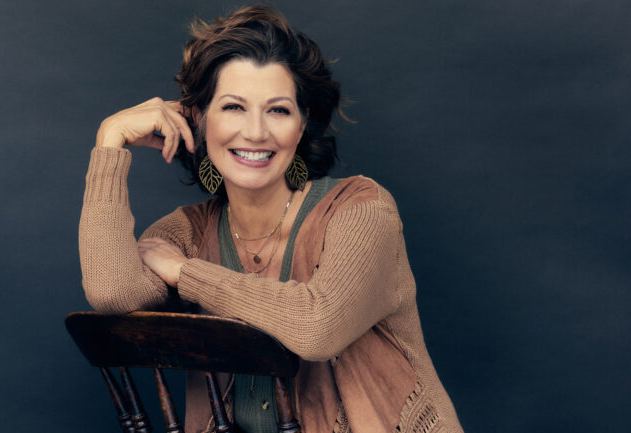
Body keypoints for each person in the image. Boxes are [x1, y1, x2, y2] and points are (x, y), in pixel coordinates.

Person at [79, 5, 463, 433]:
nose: (256, 132)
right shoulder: (189, 231)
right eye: (233, 107)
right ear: (199, 119)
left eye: (278, 110)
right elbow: (112, 293)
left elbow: (317, 327)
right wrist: (110, 142)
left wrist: (185, 273)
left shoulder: (362, 209)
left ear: (302, 126)